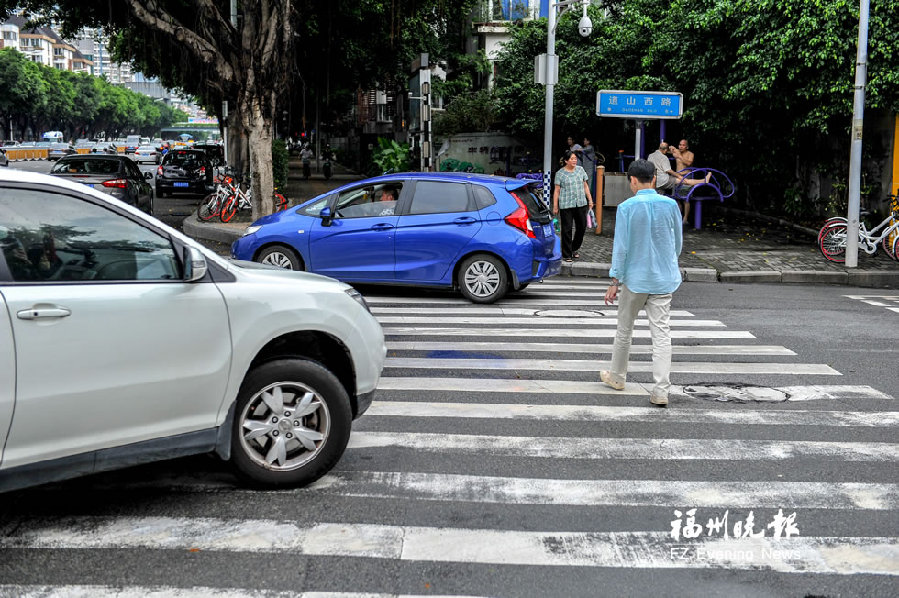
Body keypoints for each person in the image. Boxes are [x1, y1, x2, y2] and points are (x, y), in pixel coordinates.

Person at [600, 159, 683, 407]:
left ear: (633, 181)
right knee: (661, 335)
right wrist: (668, 263)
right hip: (663, 280)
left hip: (635, 281)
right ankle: (660, 391)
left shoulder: (626, 207)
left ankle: (617, 377)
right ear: (655, 179)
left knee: (625, 330)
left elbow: (621, 248)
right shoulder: (671, 205)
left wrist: (615, 280)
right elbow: (677, 242)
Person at [552, 149, 594, 262]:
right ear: (566, 161)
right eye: (572, 159)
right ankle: (566, 254)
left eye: (575, 158)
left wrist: (590, 200)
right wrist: (555, 206)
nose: (574, 160)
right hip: (566, 205)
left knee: (582, 227)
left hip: (581, 203)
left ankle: (574, 248)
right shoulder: (560, 174)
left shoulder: (580, 170)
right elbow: (557, 191)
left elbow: (585, 186)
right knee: (566, 229)